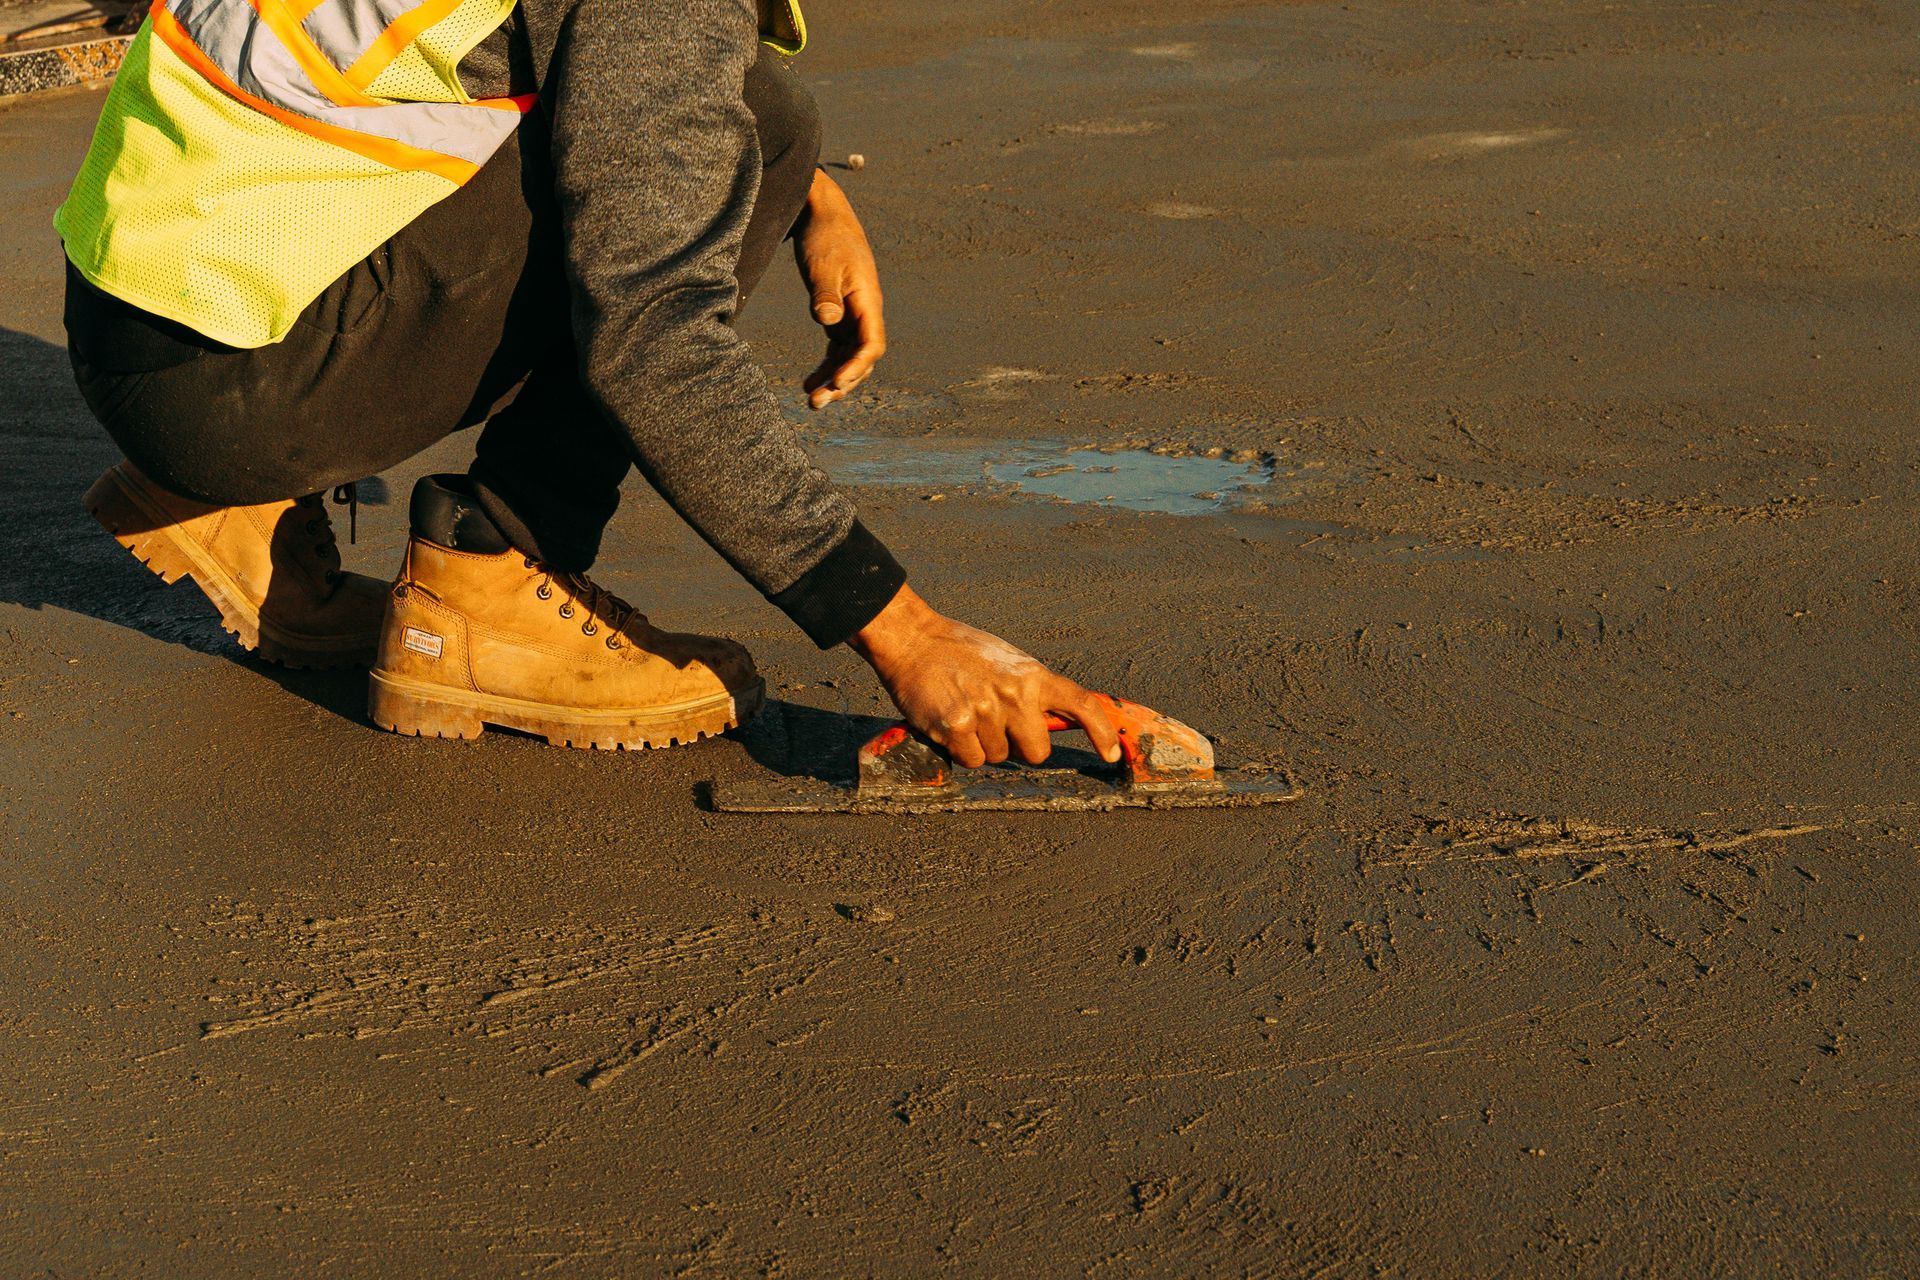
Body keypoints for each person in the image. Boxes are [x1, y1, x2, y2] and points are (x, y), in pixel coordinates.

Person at [56, 0, 1120, 768]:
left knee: (751, 122)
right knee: (751, 134)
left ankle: (225, 490)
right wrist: (908, 631)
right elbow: (653, 332)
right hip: (234, 376)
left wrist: (810, 197)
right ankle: (497, 566)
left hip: (149, 295)